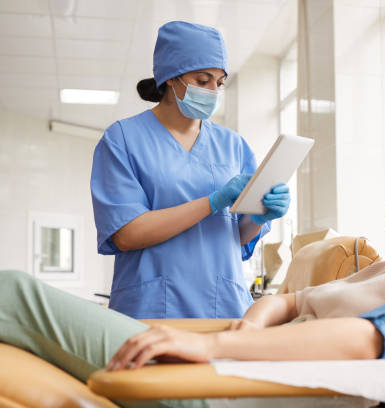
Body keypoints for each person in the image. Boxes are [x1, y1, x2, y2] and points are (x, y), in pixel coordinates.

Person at [0, 143, 385, 407]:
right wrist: (249, 327)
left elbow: (373, 337)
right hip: (232, 363)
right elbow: (291, 303)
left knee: (13, 293)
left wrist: (217, 350)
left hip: (245, 388)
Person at [90, 21, 290, 319]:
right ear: (172, 77)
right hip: (151, 308)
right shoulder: (123, 139)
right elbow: (126, 234)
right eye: (202, 80)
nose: (213, 90)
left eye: (219, 83)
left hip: (224, 307)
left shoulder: (232, 145)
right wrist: (213, 201)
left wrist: (259, 219)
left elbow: (236, 235)